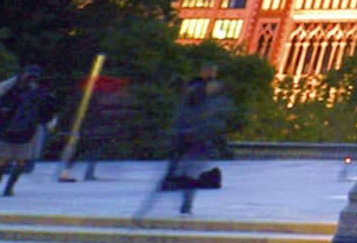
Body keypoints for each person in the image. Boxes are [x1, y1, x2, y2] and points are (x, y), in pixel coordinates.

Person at [138, 67, 230, 220]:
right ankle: (185, 204)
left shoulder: (194, 103)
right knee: (189, 175)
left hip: (189, 140)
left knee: (186, 173)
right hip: (194, 141)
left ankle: (181, 199)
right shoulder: (205, 103)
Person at [0, 68, 55, 197]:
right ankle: (8, 189)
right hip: (29, 130)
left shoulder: (17, 91)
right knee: (20, 161)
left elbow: (3, 106)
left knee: (2, 159)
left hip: (10, 128)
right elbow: (47, 114)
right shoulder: (42, 94)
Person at [58, 73, 128, 182]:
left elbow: (71, 112)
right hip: (90, 129)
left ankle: (67, 172)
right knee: (88, 151)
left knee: (80, 151)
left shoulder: (83, 97)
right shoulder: (94, 98)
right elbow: (99, 114)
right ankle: (83, 172)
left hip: (85, 129)